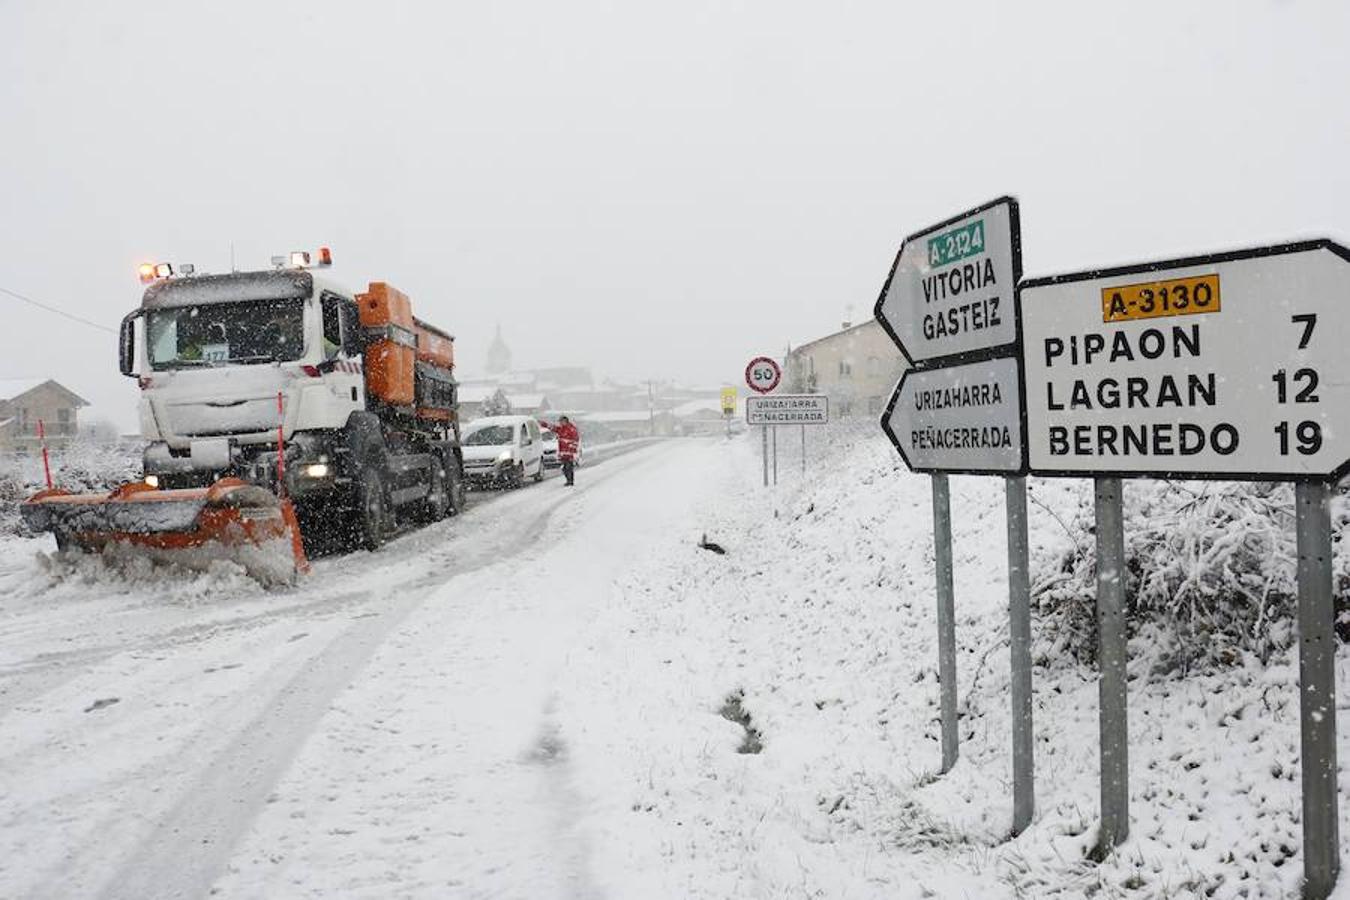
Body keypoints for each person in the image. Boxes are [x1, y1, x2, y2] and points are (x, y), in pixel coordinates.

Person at [541, 416, 580, 486]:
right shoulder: (561, 429)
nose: (561, 423)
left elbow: (575, 440)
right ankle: (568, 480)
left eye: (562, 421)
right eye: (560, 422)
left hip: (569, 452)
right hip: (563, 452)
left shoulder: (571, 429)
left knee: (569, 467)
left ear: (566, 421)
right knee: (564, 468)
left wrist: (572, 450)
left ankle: (570, 481)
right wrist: (544, 424)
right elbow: (553, 428)